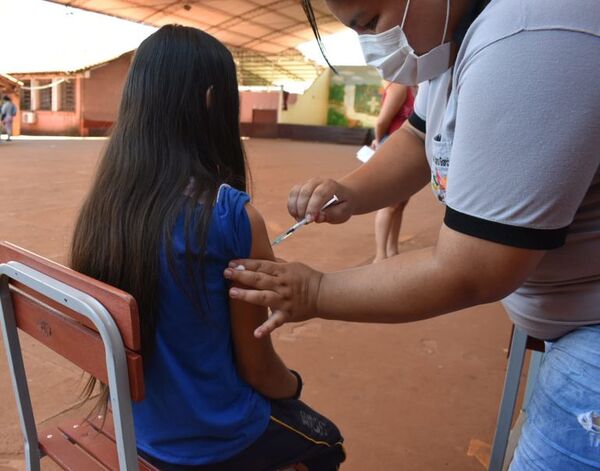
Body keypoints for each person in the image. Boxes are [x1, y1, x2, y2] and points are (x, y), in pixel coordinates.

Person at [224, 1, 600, 470]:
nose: (370, 47)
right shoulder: (449, 43)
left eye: (371, 23)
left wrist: (315, 290)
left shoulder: (531, 39)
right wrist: (351, 192)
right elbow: (417, 140)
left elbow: (473, 268)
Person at [70, 25, 344, 471]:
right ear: (211, 99)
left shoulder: (105, 210)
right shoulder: (231, 216)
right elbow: (260, 373)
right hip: (216, 444)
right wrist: (293, 385)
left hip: (140, 433)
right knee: (329, 444)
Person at [371, 82, 414, 262]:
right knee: (388, 205)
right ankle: (380, 255)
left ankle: (392, 250)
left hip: (408, 150)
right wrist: (379, 142)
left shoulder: (413, 86)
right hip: (394, 148)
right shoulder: (399, 86)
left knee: (400, 204)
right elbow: (382, 121)